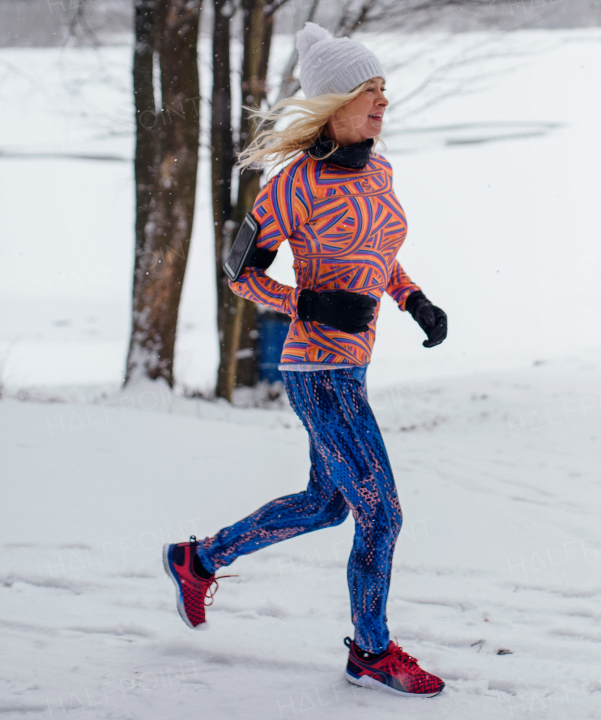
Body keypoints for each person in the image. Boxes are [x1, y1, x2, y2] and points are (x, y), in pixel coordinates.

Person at [163, 22, 448, 699]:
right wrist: (308, 306)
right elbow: (241, 274)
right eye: (369, 93)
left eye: (384, 91)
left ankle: (198, 560)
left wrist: (413, 298)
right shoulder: (291, 186)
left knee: (326, 505)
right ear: (332, 103)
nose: (383, 104)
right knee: (382, 512)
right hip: (315, 369)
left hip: (353, 364)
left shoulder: (379, 170)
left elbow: (377, 251)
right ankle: (370, 651)